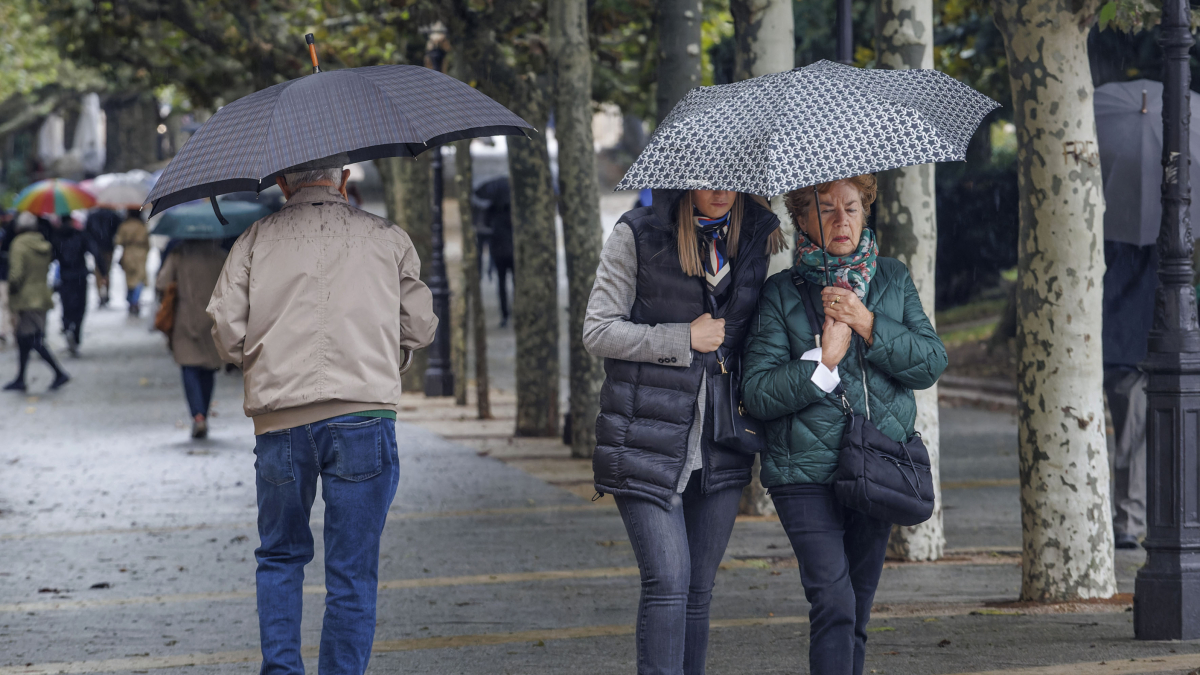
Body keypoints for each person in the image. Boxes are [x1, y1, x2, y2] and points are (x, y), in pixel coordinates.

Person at [208, 166, 437, 674]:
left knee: (281, 557)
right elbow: (419, 327)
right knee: (352, 572)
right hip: (364, 416)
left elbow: (226, 332)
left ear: (284, 184)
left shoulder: (253, 240)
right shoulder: (387, 237)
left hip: (279, 422)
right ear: (345, 178)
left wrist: (265, 357)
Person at [741, 175, 946, 675]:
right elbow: (758, 392)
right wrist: (823, 364)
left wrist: (867, 322)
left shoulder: (892, 280)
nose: (841, 221)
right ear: (802, 218)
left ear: (866, 211)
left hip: (875, 465)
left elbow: (930, 362)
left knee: (857, 609)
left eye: (852, 208)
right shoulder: (780, 294)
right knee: (833, 603)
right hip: (802, 473)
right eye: (826, 209)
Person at [583, 188, 785, 675]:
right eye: (708, 176)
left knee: (697, 589)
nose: (720, 190)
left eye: (730, 176)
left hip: (724, 439)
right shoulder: (638, 234)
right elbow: (597, 329)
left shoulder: (761, 233)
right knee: (669, 581)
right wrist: (682, 338)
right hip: (646, 436)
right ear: (685, 175)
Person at [1102, 241, 1156, 549]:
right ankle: (1128, 520)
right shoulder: (1148, 241)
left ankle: (1129, 519)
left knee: (1133, 441)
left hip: (1126, 350)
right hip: (1132, 354)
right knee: (1133, 441)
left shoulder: (1112, 234)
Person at [156, 238, 228, 439]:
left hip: (185, 319)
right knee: (208, 368)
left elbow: (162, 282)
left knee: (189, 366)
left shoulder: (179, 255)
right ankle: (203, 413)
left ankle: (198, 416)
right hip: (213, 319)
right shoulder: (221, 255)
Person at [4, 212, 70, 392]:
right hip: (41, 294)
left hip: (26, 298)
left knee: (32, 339)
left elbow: (16, 274)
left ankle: (59, 372)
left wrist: (11, 290)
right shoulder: (43, 243)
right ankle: (20, 379)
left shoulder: (19, 245)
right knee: (24, 338)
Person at [49, 215, 95, 355]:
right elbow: (94, 251)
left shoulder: (56, 237)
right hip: (80, 275)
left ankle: (67, 325)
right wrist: (103, 272)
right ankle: (76, 335)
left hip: (65, 276)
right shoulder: (80, 235)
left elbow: (52, 257)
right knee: (80, 307)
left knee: (66, 305)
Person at [474, 176, 513, 326]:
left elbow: (485, 233)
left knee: (501, 284)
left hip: (499, 253)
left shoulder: (491, 211)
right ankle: (512, 310)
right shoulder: (513, 212)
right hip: (512, 253)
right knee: (513, 282)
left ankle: (505, 313)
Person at [85, 207, 122, 307]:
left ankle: (100, 294)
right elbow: (118, 229)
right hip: (109, 247)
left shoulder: (92, 216)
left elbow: (87, 231)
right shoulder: (113, 215)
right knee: (107, 271)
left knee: (98, 271)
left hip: (96, 246)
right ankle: (106, 292)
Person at [114, 212, 150, 316]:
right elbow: (147, 242)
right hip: (140, 254)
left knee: (129, 279)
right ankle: (135, 301)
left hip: (128, 253)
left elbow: (118, 241)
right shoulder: (142, 225)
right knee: (139, 278)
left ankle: (131, 301)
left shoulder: (124, 225)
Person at [0, 212, 15, 349]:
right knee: (7, 305)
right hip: (4, 273)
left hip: (4, 274)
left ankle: (4, 332)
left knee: (6, 304)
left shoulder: (8, 231)